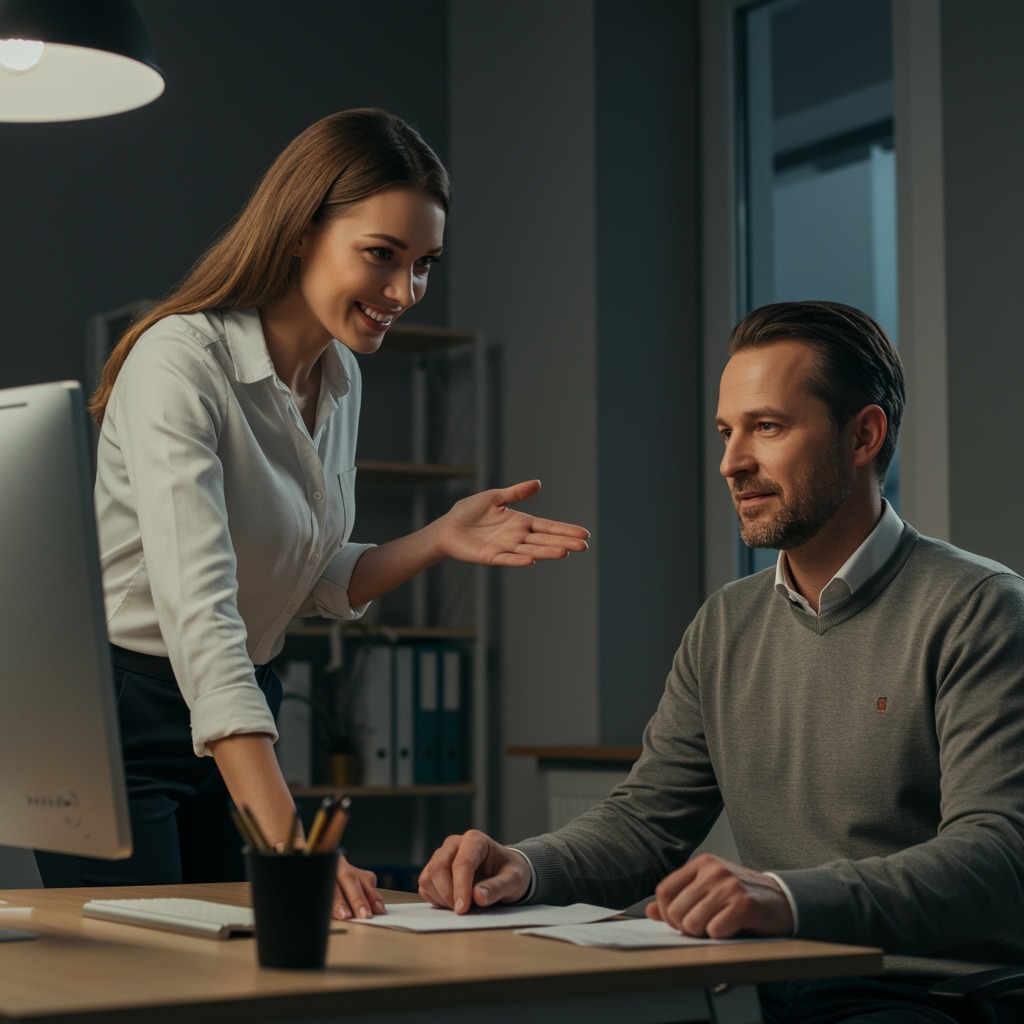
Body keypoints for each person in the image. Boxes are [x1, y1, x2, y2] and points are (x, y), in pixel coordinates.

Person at [34, 108, 589, 921]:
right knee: (140, 987)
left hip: (236, 708)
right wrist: (295, 844)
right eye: (381, 256)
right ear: (299, 232)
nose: (406, 292)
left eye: (425, 264)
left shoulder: (339, 376)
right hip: (125, 718)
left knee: (251, 975)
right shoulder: (179, 362)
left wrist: (437, 539)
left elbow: (304, 573)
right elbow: (203, 614)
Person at [418, 300, 1024, 1023]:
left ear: (864, 434)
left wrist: (789, 897)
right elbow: (645, 824)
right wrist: (526, 866)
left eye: (767, 427)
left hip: (932, 995)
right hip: (762, 983)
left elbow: (998, 856)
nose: (732, 462)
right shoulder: (726, 625)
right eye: (726, 432)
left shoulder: (981, 608)